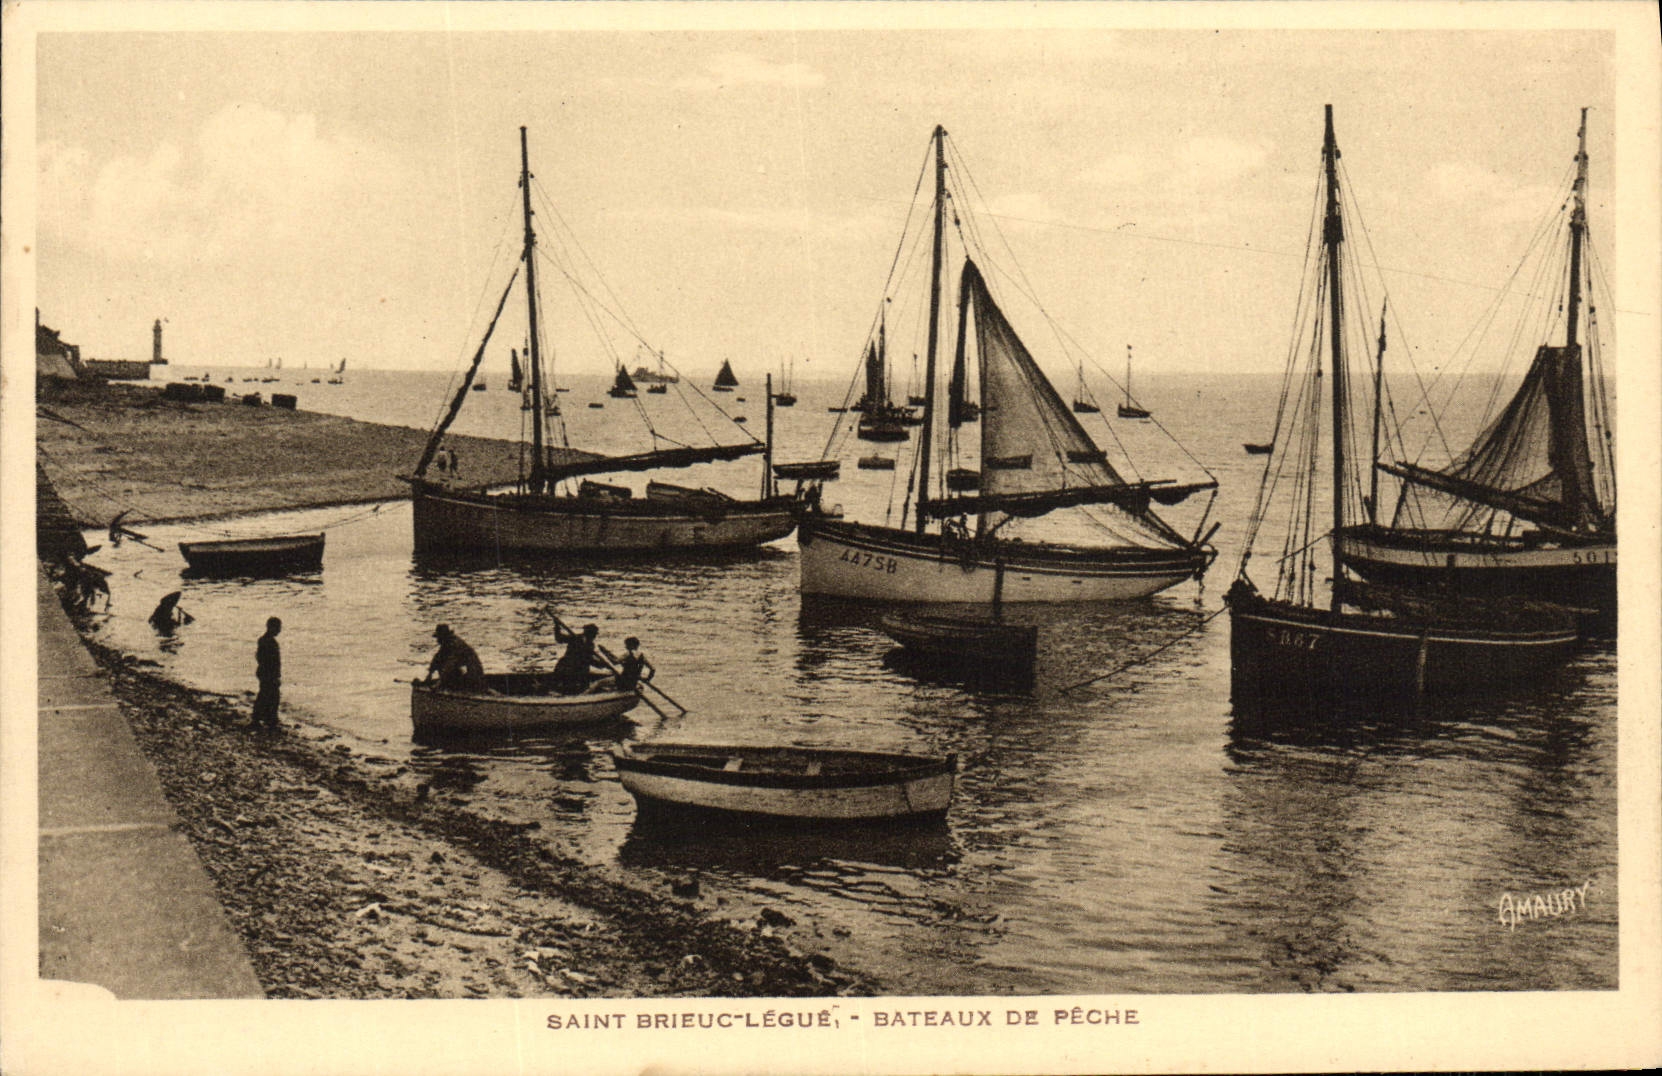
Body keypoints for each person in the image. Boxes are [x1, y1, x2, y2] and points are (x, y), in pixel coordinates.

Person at [425, 623, 486, 692]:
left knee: (450, 673)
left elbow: (450, 664)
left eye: (439, 637)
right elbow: (437, 658)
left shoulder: (455, 645)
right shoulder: (446, 644)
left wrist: (440, 682)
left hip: (473, 675)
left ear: (444, 636)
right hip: (464, 673)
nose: (437, 640)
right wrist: (430, 674)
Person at [551, 622, 607, 695]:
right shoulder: (575, 638)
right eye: (594, 634)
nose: (595, 636)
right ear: (589, 633)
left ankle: (580, 691)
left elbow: (589, 659)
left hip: (580, 668)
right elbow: (559, 639)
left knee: (584, 682)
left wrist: (602, 665)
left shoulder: (590, 644)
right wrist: (557, 626)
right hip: (568, 666)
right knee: (570, 684)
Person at [253, 616, 282, 730]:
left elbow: (259, 657)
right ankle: (270, 721)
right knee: (272, 696)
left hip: (264, 672)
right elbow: (271, 661)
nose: (279, 630)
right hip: (268, 673)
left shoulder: (263, 640)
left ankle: (260, 718)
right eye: (278, 627)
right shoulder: (270, 642)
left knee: (265, 695)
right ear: (271, 628)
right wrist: (275, 675)